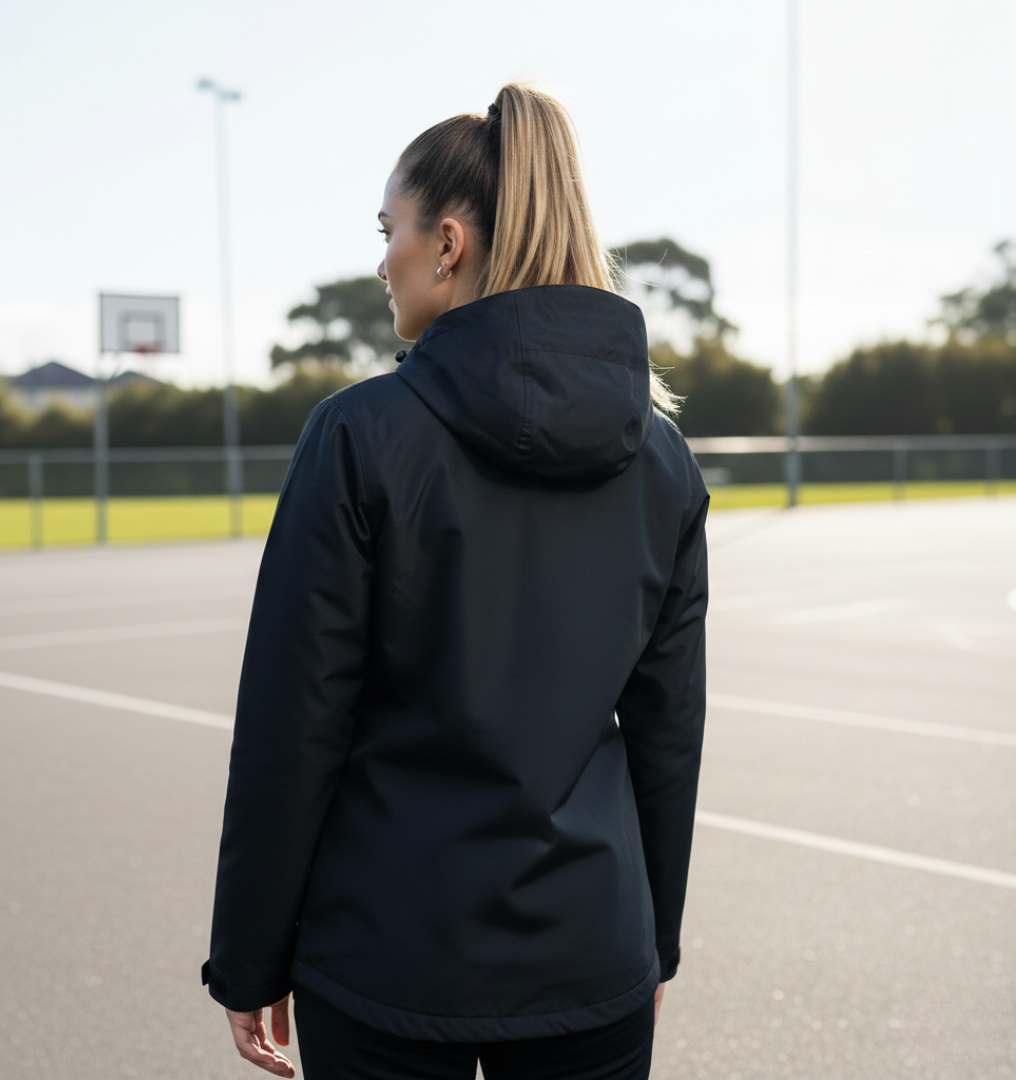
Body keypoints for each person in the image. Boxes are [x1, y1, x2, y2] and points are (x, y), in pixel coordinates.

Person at [202, 82, 708, 1080]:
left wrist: (251, 956)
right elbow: (667, 731)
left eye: (387, 228)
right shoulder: (663, 460)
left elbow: (293, 721)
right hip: (592, 953)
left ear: (446, 244)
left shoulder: (358, 435)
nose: (381, 257)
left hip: (386, 957)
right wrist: (656, 938)